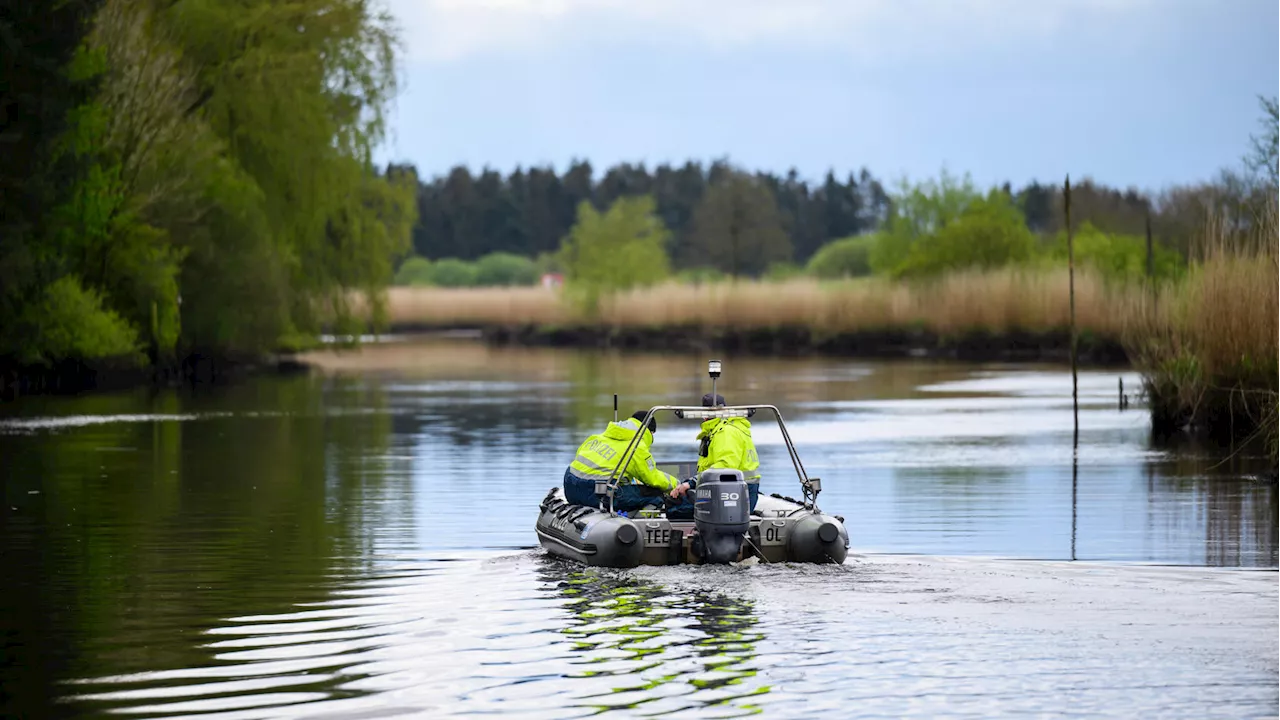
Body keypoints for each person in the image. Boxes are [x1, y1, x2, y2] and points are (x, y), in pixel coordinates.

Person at [564, 410, 696, 516]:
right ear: (650, 432)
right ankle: (637, 523)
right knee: (655, 495)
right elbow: (653, 478)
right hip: (598, 494)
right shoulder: (636, 447)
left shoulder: (597, 437)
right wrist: (677, 484)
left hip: (571, 487)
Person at [695, 393, 762, 512]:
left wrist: (692, 482)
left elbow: (726, 466)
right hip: (737, 489)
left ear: (704, 414)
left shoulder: (725, 431)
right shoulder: (726, 428)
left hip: (734, 492)